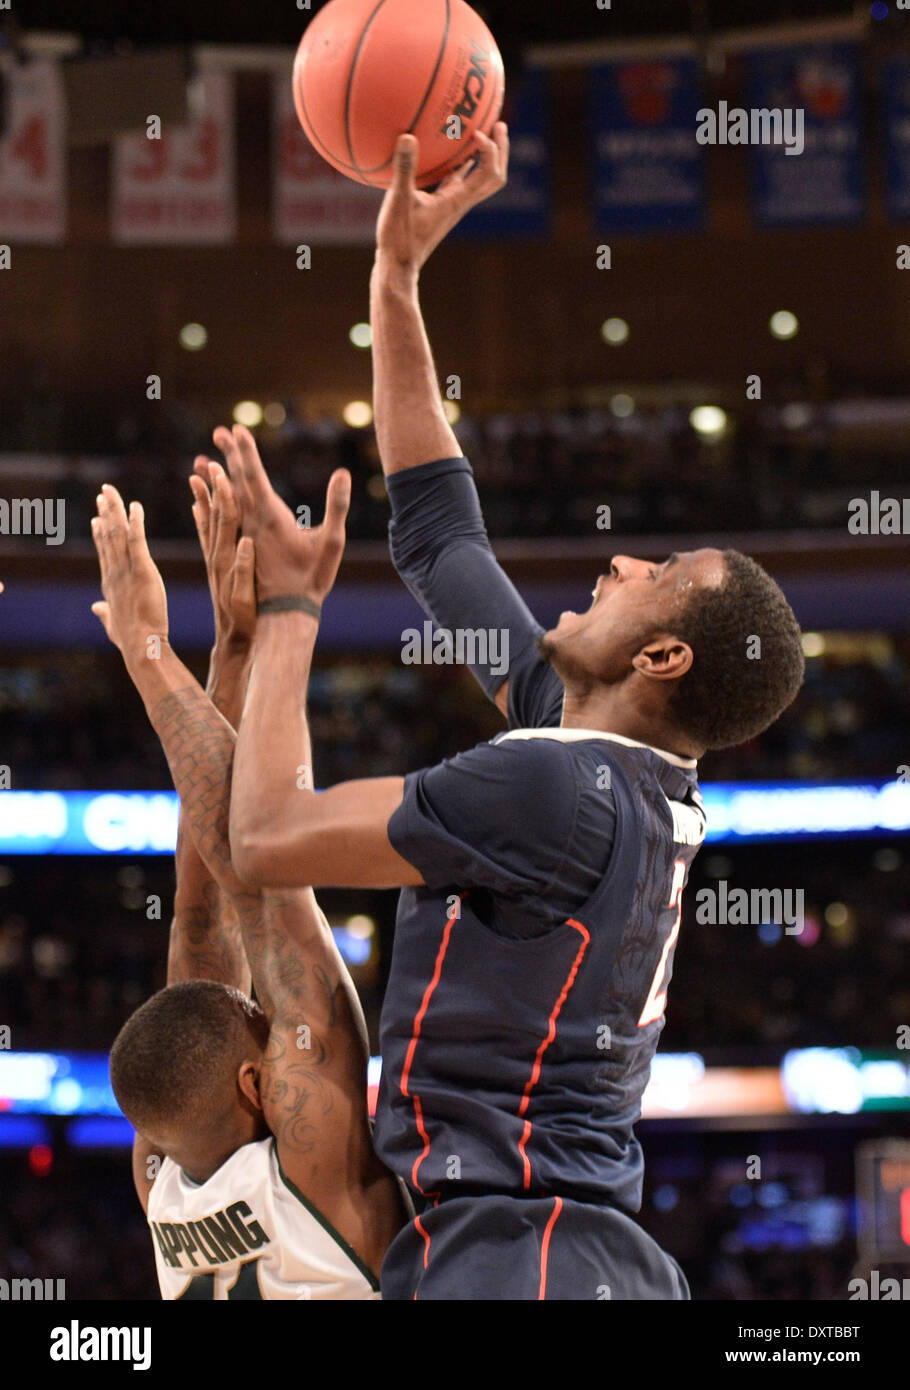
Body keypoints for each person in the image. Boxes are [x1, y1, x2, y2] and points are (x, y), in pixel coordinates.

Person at [223, 128, 805, 1301]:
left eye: (654, 569)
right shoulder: (594, 758)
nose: (617, 560)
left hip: (522, 1253)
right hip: (549, 1248)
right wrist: (394, 278)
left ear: (661, 652)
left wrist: (286, 613)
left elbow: (267, 839)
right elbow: (440, 535)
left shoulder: (554, 787)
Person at [91, 464, 404, 1299]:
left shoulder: (162, 1178)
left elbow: (202, 919)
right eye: (263, 1029)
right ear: (254, 1084)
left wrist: (230, 649)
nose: (275, 1018)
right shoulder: (310, 1171)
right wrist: (148, 657)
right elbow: (258, 886)